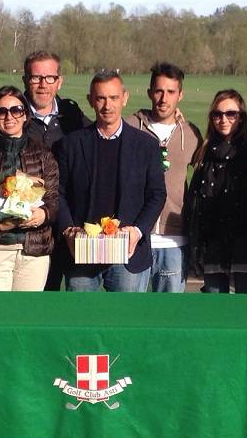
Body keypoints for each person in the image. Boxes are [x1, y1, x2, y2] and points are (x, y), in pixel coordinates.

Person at [0, 51, 90, 291]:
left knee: (47, 306)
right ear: (25, 80)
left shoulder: (72, 115)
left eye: (49, 77)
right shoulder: (7, 115)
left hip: (63, 224)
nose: (42, 84)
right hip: (17, 235)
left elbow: (104, 132)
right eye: (35, 77)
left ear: (59, 81)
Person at [56, 70, 166, 292]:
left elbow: (156, 194)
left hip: (127, 254)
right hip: (83, 254)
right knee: (84, 324)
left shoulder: (146, 145)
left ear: (124, 98)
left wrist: (137, 231)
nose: (108, 105)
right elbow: (58, 193)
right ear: (90, 101)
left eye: (114, 97)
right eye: (101, 98)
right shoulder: (71, 144)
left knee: (126, 323)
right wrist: (68, 230)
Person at [125, 62, 202, 292]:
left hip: (174, 239)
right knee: (129, 313)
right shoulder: (129, 127)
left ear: (180, 95)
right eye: (158, 91)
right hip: (134, 236)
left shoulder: (191, 134)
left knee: (168, 315)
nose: (163, 99)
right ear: (150, 93)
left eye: (171, 92)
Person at [0, 86, 59, 291]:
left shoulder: (42, 154)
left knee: (26, 316)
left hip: (33, 251)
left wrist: (44, 214)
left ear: (25, 115)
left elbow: (54, 200)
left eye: (16, 110)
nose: (9, 116)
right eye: (1, 111)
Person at [187, 89, 247, 294]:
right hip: (212, 244)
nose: (223, 119)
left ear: (241, 117)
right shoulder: (204, 153)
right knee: (215, 310)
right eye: (217, 114)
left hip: (245, 242)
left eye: (231, 114)